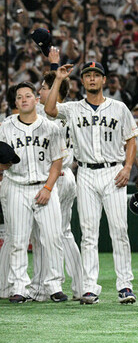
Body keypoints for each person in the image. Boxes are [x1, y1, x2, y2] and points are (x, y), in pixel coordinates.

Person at [44, 62, 138, 305]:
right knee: (88, 233)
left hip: (114, 172)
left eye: (97, 75)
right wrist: (58, 79)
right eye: (88, 76)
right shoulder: (73, 108)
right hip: (85, 172)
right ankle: (89, 287)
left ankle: (125, 285)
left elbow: (131, 139)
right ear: (83, 81)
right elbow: (50, 109)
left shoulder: (119, 108)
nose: (92, 79)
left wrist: (128, 167)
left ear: (104, 80)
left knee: (119, 230)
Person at [0, 83, 66, 303]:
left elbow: (57, 162)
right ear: (16, 103)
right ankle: (19, 286)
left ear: (36, 100)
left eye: (28, 96)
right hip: (16, 186)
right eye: (19, 97)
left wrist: (48, 188)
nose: (24, 99)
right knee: (17, 240)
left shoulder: (51, 127)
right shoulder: (5, 127)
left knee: (53, 238)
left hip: (44, 186)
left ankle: (54, 285)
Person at [28, 70, 83, 302]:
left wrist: (55, 75)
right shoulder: (72, 111)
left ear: (53, 90)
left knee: (45, 234)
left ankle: (45, 286)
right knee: (64, 233)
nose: (39, 92)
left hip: (53, 178)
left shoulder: (44, 111)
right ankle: (81, 285)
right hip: (68, 175)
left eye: (43, 88)